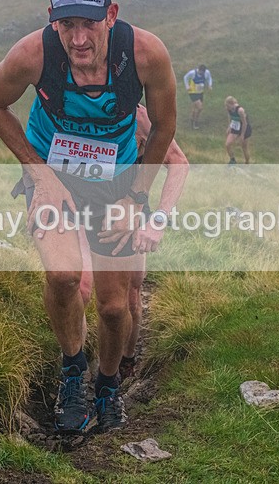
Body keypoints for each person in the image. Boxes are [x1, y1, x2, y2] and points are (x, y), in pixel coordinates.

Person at [0, 0, 176, 434]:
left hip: (117, 185)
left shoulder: (146, 54)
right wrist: (38, 172)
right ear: (52, 19)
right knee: (64, 275)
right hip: (55, 179)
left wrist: (136, 197)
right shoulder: (32, 54)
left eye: (88, 22)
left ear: (111, 14)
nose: (79, 38)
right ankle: (73, 373)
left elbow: (165, 127)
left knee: (113, 307)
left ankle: (107, 384)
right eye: (67, 24)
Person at [78, 104, 189, 380]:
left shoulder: (139, 117)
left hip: (131, 207)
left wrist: (158, 221)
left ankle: (124, 364)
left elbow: (179, 163)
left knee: (131, 293)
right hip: (81, 206)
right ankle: (75, 371)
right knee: (80, 288)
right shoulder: (69, 109)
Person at [182, 64, 212, 130]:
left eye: (203, 73)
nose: (201, 74)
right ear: (199, 69)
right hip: (193, 92)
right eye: (200, 72)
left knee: (195, 108)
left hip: (200, 92)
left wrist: (210, 85)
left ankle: (192, 120)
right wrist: (187, 86)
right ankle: (196, 122)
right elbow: (185, 77)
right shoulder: (192, 73)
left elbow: (209, 78)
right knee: (200, 107)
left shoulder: (206, 72)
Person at [224, 95, 251, 165]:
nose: (227, 108)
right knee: (227, 144)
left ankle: (247, 162)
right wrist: (229, 126)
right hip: (235, 126)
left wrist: (242, 135)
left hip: (244, 127)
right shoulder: (228, 109)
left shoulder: (240, 110)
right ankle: (232, 160)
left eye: (228, 106)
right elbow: (229, 116)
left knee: (244, 147)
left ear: (232, 104)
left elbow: (245, 123)